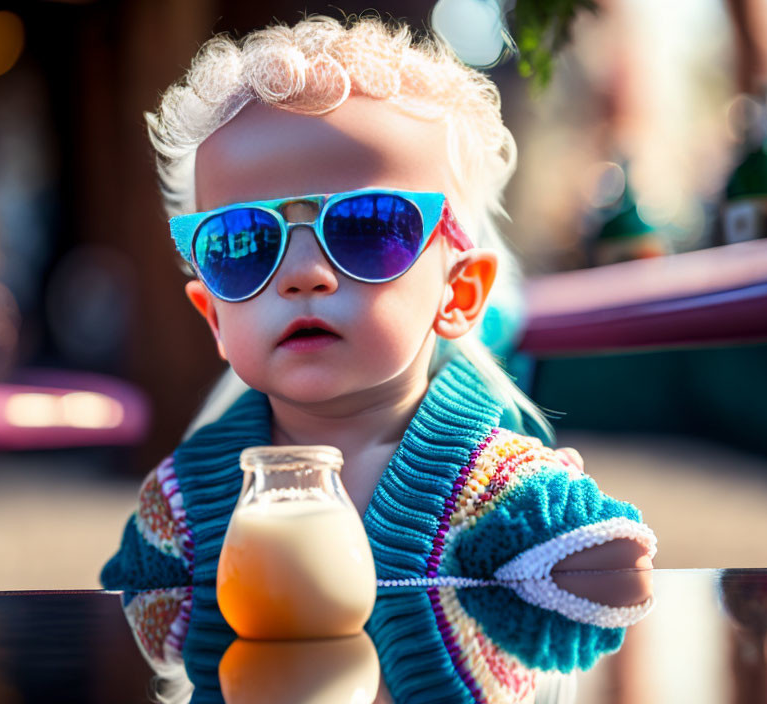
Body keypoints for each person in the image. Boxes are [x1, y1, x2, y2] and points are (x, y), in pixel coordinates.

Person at [102, 15, 656, 703]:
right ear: (214, 316)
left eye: (367, 230)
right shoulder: (186, 501)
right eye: (242, 243)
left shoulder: (496, 485)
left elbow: (615, 573)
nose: (304, 273)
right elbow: (134, 606)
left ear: (459, 294)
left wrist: (576, 548)